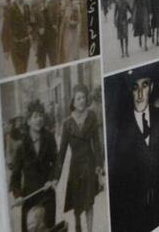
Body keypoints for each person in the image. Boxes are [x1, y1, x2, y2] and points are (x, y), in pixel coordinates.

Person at [111, 76, 159, 232]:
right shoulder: (122, 128)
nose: (140, 94)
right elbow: (119, 181)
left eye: (145, 86)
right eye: (135, 88)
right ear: (130, 91)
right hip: (137, 218)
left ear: (152, 87)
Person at [53, 84, 103, 232]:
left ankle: (90, 230)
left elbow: (97, 144)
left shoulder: (91, 116)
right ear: (73, 102)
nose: (82, 101)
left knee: (89, 202)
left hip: (89, 165)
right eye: (78, 98)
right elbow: (61, 153)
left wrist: (99, 165)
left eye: (83, 98)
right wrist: (56, 176)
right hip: (75, 168)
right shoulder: (67, 124)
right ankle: (78, 227)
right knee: (77, 205)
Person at [10, 101, 58, 232]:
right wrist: (18, 195)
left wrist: (52, 179)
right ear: (28, 121)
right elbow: (15, 176)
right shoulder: (21, 145)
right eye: (35, 116)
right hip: (29, 197)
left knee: (48, 228)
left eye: (41, 115)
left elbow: (56, 163)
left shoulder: (49, 138)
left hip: (47, 195)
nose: (39, 119)